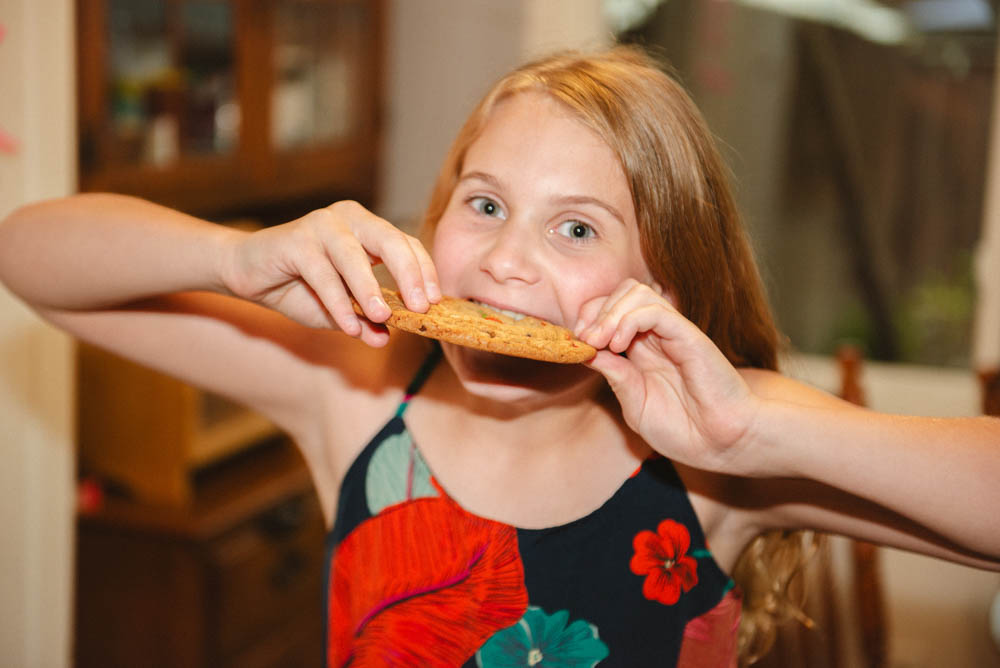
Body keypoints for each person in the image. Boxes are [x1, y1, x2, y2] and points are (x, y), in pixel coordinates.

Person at [1, 46, 998, 667]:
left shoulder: (712, 464)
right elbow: (29, 256)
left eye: (575, 230)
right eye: (484, 204)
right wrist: (229, 253)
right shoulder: (353, 391)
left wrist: (758, 424)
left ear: (668, 287)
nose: (508, 260)